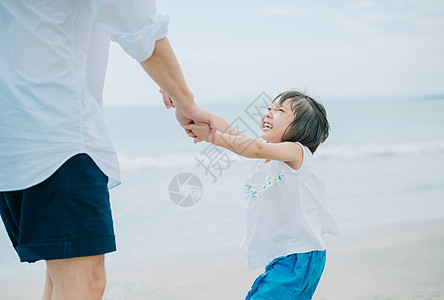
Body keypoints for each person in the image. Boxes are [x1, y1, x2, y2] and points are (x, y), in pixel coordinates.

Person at [0, 1, 215, 299]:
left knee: (60, 275)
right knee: (85, 282)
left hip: (14, 133)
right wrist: (186, 102)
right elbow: (139, 27)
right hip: (58, 134)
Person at [166, 90, 341, 299]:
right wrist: (186, 106)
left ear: (303, 129)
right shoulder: (266, 155)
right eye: (269, 108)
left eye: (280, 111)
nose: (268, 113)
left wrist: (213, 137)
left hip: (300, 255)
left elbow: (254, 148)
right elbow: (230, 131)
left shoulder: (296, 152)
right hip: (284, 255)